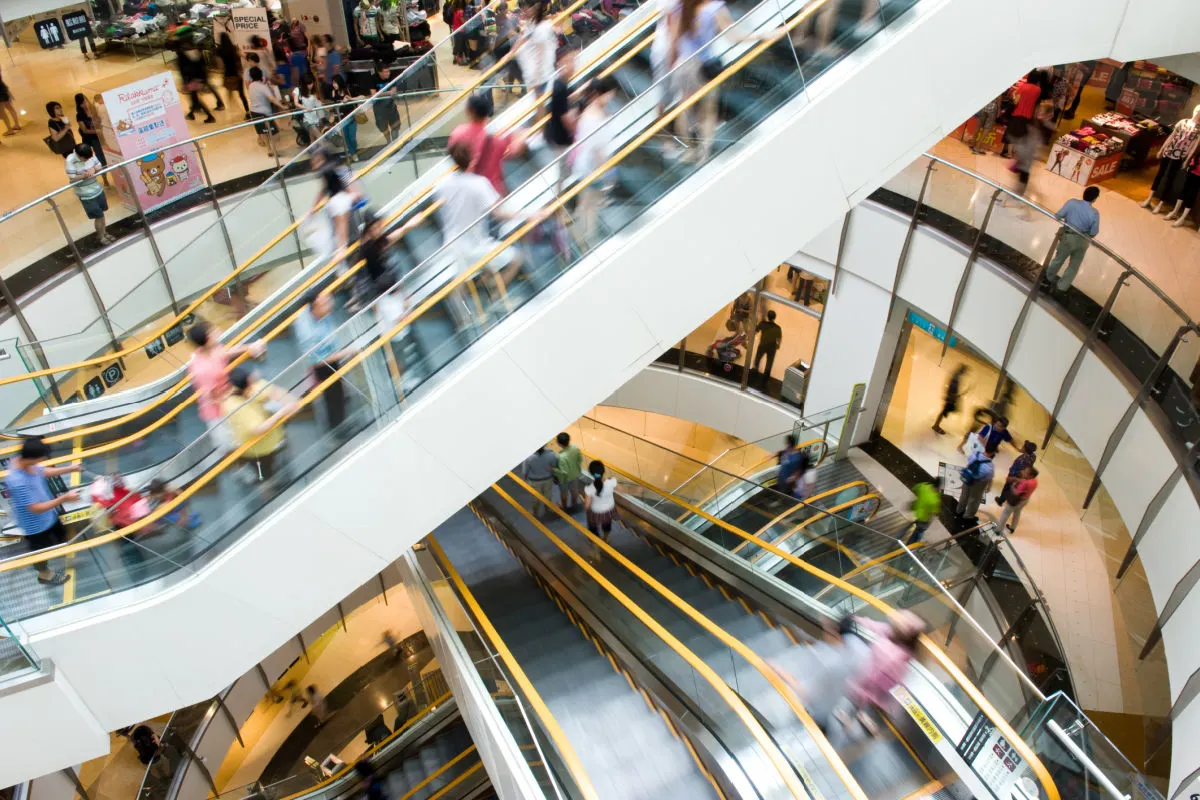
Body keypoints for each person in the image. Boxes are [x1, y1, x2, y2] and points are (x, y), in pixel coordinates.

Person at [420, 140, 536, 294]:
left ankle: (469, 311)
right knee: (516, 258)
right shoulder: (479, 184)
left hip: (453, 244)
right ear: (473, 159)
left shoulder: (442, 185)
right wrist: (528, 215)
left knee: (460, 283)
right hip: (476, 245)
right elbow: (498, 213)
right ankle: (496, 296)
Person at [666, 0, 772, 162]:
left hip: (683, 65)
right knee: (709, 110)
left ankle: (689, 150)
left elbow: (673, 42)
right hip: (702, 66)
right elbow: (734, 37)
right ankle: (704, 153)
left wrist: (672, 66)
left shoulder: (680, 8)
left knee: (685, 107)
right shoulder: (714, 8)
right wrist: (762, 35)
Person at [7, 436, 85, 585]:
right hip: (35, 525)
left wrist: (71, 468)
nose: (42, 461)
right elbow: (34, 508)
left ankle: (65, 557)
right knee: (40, 551)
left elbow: (42, 471)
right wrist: (63, 499)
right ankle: (44, 575)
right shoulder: (17, 481)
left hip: (49, 515)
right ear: (32, 458)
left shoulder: (23, 461)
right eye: (41, 458)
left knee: (61, 535)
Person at [837, 612, 925, 736]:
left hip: (871, 699)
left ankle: (850, 730)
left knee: (850, 725)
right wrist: (855, 619)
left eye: (903, 625)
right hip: (860, 689)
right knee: (844, 717)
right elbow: (873, 625)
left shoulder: (899, 657)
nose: (897, 624)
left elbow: (877, 682)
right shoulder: (889, 633)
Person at [222, 367, 299, 484]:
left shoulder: (248, 388)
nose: (254, 384)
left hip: (274, 438)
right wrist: (282, 412)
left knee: (281, 465)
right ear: (247, 385)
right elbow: (258, 429)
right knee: (267, 478)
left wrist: (285, 400)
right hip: (258, 450)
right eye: (251, 382)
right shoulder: (234, 406)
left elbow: (275, 392)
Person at [296, 289, 357, 431]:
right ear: (315, 307)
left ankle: (341, 419)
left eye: (328, 300)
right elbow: (318, 360)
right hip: (322, 365)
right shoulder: (308, 331)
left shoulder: (322, 314)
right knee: (333, 397)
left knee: (339, 390)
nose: (330, 304)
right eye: (324, 303)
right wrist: (345, 353)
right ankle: (338, 429)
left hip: (331, 354)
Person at [570, 75, 619, 244]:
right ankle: (588, 235)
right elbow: (597, 150)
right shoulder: (594, 118)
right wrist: (604, 172)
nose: (611, 97)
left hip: (585, 163)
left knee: (586, 201)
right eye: (609, 94)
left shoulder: (591, 110)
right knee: (590, 202)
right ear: (599, 93)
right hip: (592, 166)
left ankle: (581, 234)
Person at [448, 91, 517, 195]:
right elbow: (512, 151)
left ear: (470, 111)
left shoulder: (457, 134)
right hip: (492, 191)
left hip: (470, 191)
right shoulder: (498, 137)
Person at [1044, 186, 1100, 294]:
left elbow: (1057, 216)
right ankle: (1062, 286)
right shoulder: (1095, 213)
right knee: (1074, 265)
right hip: (1083, 240)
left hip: (1069, 236)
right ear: (1094, 199)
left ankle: (1049, 277)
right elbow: (1094, 232)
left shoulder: (1072, 203)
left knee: (1059, 259)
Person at [65, 143, 114, 244]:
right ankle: (100, 237)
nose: (87, 160)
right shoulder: (70, 160)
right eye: (85, 159)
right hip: (86, 195)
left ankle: (104, 232)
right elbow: (72, 179)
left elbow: (99, 166)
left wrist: (94, 169)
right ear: (79, 156)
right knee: (98, 216)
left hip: (97, 189)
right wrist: (85, 175)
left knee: (101, 213)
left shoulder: (89, 155)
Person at [515, 1, 558, 95]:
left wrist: (536, 79)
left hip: (541, 79)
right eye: (521, 9)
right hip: (537, 78)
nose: (523, 12)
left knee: (541, 105)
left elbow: (541, 54)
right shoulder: (531, 25)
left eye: (525, 9)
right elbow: (522, 38)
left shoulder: (541, 28)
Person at [178, 38, 224, 123]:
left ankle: (209, 116)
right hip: (200, 78)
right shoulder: (198, 53)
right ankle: (192, 114)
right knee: (194, 97)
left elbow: (184, 70)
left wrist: (185, 82)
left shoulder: (184, 56)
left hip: (193, 80)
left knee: (195, 98)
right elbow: (203, 66)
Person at [248, 67, 287, 156]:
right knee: (275, 133)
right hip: (264, 113)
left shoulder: (251, 85)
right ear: (261, 75)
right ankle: (274, 150)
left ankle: (269, 150)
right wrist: (282, 106)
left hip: (254, 112)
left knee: (262, 132)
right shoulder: (263, 87)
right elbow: (272, 99)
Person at [584, 460, 620, 541]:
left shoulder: (589, 488)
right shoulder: (612, 482)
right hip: (609, 510)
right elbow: (623, 489)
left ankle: (596, 551)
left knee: (593, 528)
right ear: (604, 471)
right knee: (607, 525)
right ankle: (605, 538)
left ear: (591, 474)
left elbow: (587, 505)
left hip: (595, 512)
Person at [217, 33, 250, 119]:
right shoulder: (234, 48)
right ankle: (247, 111)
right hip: (237, 75)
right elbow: (242, 56)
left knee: (229, 91)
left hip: (228, 75)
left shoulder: (220, 51)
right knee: (242, 95)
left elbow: (220, 65)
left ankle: (231, 108)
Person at [521, 445, 560, 518]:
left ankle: (535, 512)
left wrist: (525, 479)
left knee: (535, 499)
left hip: (534, 481)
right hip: (548, 479)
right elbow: (554, 467)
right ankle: (547, 509)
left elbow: (525, 472)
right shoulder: (551, 454)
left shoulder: (528, 457)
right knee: (548, 496)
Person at [74, 93, 109, 173]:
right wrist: (97, 131)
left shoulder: (94, 108)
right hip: (92, 139)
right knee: (100, 157)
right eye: (82, 104)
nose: (85, 105)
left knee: (108, 154)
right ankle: (104, 178)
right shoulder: (80, 115)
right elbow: (84, 130)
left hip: (103, 135)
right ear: (79, 105)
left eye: (85, 102)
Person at [955, 448, 993, 521]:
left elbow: (969, 462)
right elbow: (989, 477)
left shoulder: (975, 454)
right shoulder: (990, 465)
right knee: (974, 499)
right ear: (992, 453)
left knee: (964, 495)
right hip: (978, 483)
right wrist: (989, 486)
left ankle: (959, 510)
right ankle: (968, 516)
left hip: (968, 478)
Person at [996, 440, 1036, 507]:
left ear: (1025, 450)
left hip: (1015, 475)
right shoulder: (1033, 456)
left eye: (1023, 447)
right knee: (1014, 488)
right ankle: (1007, 498)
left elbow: (1016, 469)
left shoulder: (1021, 460)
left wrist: (1011, 475)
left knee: (1007, 487)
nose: (1022, 448)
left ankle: (1001, 500)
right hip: (1023, 476)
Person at [998, 466, 1038, 533]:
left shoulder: (1025, 483)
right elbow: (1026, 484)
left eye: (1025, 472)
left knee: (1006, 513)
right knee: (1017, 513)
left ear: (1030, 475)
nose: (1022, 472)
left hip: (1016, 500)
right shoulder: (1035, 481)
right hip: (1025, 500)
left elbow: (1016, 492)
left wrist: (1013, 485)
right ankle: (1012, 528)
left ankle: (999, 529)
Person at [931, 365, 967, 435]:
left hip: (950, 398)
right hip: (950, 399)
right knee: (943, 412)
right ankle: (936, 425)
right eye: (964, 371)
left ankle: (936, 424)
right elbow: (952, 391)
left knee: (943, 412)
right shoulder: (956, 379)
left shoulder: (956, 376)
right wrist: (959, 395)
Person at [372, 63, 402, 143]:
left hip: (391, 106)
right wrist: (388, 93)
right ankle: (389, 142)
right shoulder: (373, 78)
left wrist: (381, 94)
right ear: (379, 72)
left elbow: (394, 90)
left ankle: (395, 144)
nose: (388, 73)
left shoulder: (392, 76)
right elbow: (374, 94)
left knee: (395, 125)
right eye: (385, 72)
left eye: (388, 71)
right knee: (383, 127)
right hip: (379, 108)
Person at [554, 432, 584, 511]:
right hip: (575, 474)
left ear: (559, 444)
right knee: (574, 490)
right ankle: (574, 504)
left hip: (565, 479)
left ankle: (564, 507)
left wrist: (553, 470)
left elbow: (563, 472)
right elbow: (580, 459)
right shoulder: (575, 448)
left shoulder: (561, 456)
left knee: (564, 493)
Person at [776, 434, 811, 500]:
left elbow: (800, 469)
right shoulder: (787, 451)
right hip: (783, 476)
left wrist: (793, 477)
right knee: (782, 490)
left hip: (789, 478)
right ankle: (781, 499)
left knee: (789, 492)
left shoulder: (798, 456)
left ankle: (786, 501)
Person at [753, 310, 782, 388]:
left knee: (758, 358)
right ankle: (765, 380)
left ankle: (755, 371)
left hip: (762, 345)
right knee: (769, 363)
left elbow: (756, 330)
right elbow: (778, 339)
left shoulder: (763, 324)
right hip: (772, 348)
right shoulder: (778, 328)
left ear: (767, 316)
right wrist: (778, 346)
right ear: (774, 317)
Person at [0, 67, 22, 135]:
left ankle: (10, 130)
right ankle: (17, 124)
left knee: (2, 113)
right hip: (3, 88)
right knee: (10, 107)